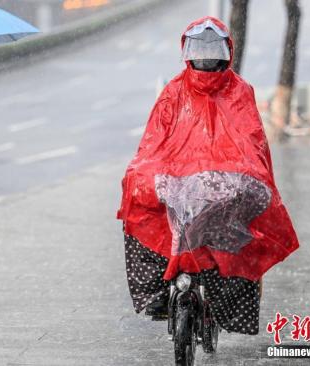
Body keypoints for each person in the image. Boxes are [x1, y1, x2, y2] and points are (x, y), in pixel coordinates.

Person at [117, 17, 299, 334]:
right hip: (178, 179)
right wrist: (146, 172)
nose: (206, 59)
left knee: (240, 221)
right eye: (200, 51)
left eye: (211, 51)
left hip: (227, 181)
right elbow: (153, 143)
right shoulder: (173, 92)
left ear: (226, 53)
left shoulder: (240, 92)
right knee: (137, 192)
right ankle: (159, 293)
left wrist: (244, 172)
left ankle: (228, 299)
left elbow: (251, 141)